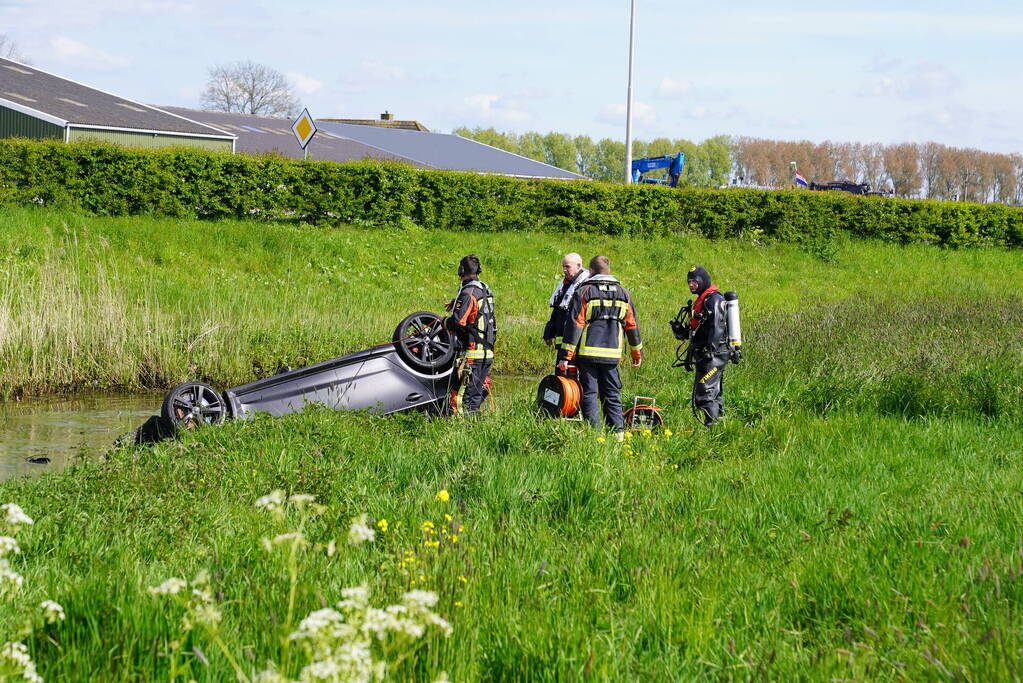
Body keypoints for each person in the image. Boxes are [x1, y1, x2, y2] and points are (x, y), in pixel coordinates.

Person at [558, 255, 642, 434]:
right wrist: (636, 353)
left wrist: (566, 356)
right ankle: (618, 433)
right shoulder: (624, 293)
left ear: (592, 271)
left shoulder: (585, 292)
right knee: (612, 394)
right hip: (612, 356)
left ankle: (594, 434)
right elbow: (632, 325)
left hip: (588, 354)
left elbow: (575, 324)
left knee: (589, 394)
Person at [444, 254, 496, 415]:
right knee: (475, 395)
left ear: (461, 270)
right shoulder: (484, 289)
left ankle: (461, 431)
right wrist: (456, 303)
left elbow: (458, 322)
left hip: (472, 353)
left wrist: (443, 321)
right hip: (486, 353)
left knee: (460, 396)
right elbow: (478, 312)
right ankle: (473, 426)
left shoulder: (469, 292)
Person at [684, 265, 729, 426]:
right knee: (713, 390)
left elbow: (717, 325)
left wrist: (710, 350)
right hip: (707, 354)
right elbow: (699, 327)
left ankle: (711, 428)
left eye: (694, 281)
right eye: (689, 282)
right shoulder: (703, 299)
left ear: (703, 281)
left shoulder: (714, 299)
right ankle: (719, 426)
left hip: (713, 354)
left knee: (705, 392)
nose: (691, 285)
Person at [542, 252, 588, 370]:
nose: (564, 270)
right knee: (561, 375)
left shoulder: (585, 285)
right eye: (563, 267)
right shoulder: (566, 284)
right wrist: (549, 331)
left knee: (573, 378)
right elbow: (558, 309)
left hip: (577, 344)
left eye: (567, 267)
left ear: (579, 265)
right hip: (563, 342)